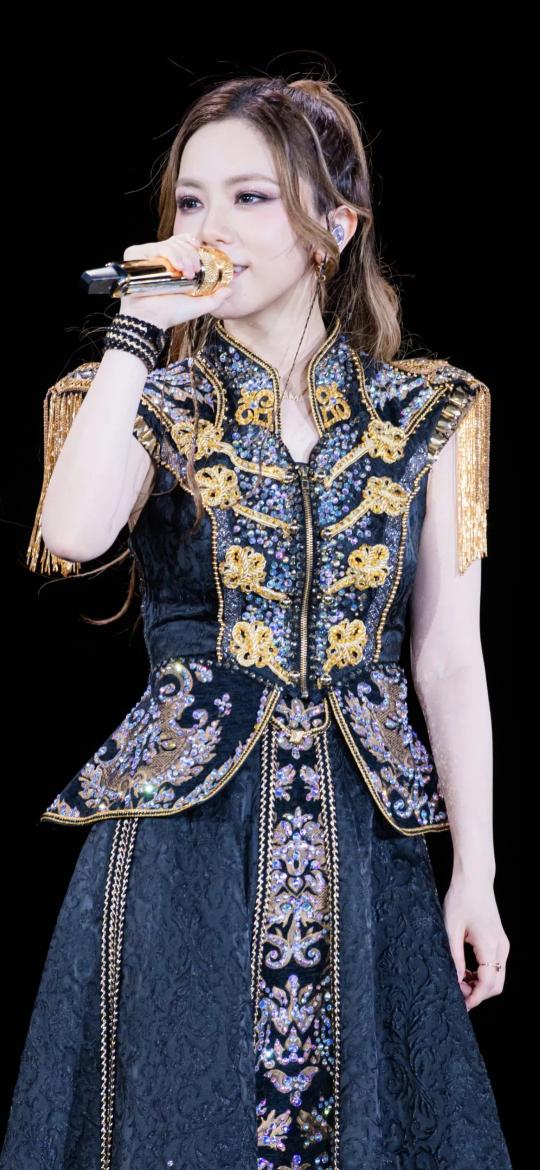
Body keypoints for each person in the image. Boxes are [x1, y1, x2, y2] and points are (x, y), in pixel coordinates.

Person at [1, 75, 513, 1170]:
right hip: (186, 844)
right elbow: (74, 534)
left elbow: (447, 660)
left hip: (367, 842)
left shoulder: (427, 411)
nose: (210, 229)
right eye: (190, 203)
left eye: (250, 198)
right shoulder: (148, 399)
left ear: (336, 226)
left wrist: (475, 871)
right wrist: (137, 333)